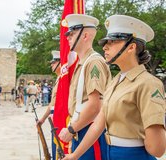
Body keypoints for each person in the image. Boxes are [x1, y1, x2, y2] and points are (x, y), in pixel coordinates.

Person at [61, 15, 166, 160]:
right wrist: (74, 156)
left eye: (113, 41)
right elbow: (98, 125)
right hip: (111, 153)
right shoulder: (116, 81)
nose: (105, 46)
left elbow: (157, 148)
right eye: (106, 42)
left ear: (131, 47)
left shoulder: (148, 83)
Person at [58, 14, 111, 160]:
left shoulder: (93, 63)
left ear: (85, 36)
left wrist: (71, 129)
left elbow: (95, 106)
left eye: (72, 33)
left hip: (90, 132)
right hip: (82, 129)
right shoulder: (83, 63)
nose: (67, 37)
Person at [37, 50, 61, 160]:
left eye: (54, 62)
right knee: (54, 147)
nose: (51, 64)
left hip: (60, 118)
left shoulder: (64, 79)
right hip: (54, 117)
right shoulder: (58, 79)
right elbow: (51, 105)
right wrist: (42, 119)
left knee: (59, 149)